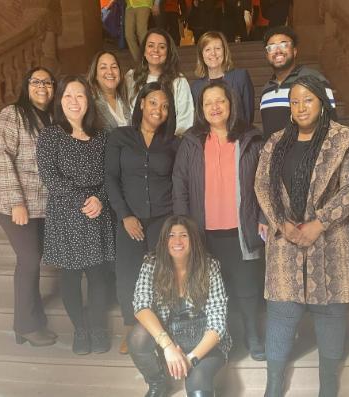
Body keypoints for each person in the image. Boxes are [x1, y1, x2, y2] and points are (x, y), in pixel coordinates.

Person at [254, 75, 349, 397]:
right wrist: (282, 223)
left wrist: (319, 223)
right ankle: (274, 383)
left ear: (322, 102)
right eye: (294, 101)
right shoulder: (277, 142)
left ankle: (328, 384)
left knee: (330, 314)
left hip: (332, 241)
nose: (301, 106)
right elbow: (262, 185)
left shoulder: (342, 138)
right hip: (286, 241)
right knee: (281, 313)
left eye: (308, 99)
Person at [173, 80, 266, 361]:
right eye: (208, 102)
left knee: (248, 287)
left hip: (243, 228)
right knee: (212, 289)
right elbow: (180, 184)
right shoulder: (192, 141)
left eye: (220, 101)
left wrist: (263, 216)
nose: (214, 107)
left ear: (231, 104)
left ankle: (252, 333)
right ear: (201, 109)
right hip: (203, 232)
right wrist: (183, 227)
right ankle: (217, 337)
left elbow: (264, 182)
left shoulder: (250, 138)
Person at [37, 75, 116, 355]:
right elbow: (50, 176)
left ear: (88, 101)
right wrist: (84, 199)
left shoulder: (102, 136)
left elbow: (111, 175)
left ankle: (97, 328)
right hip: (66, 214)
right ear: (60, 100)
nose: (74, 101)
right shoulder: (50, 135)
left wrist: (100, 200)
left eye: (80, 95)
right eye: (68, 95)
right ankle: (81, 331)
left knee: (97, 276)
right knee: (70, 277)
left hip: (97, 213)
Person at [105, 82, 178, 355]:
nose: (159, 109)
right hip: (129, 220)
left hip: (163, 218)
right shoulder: (120, 137)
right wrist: (124, 215)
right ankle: (131, 328)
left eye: (165, 105)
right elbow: (111, 178)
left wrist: (175, 222)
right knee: (128, 275)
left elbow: (177, 181)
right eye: (153, 103)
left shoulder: (172, 142)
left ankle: (162, 329)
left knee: (162, 275)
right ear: (142, 104)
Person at [128, 215, 231, 397]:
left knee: (199, 391)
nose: (177, 241)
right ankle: (157, 383)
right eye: (171, 235)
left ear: (193, 240)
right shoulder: (152, 264)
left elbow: (218, 323)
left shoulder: (210, 267)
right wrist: (168, 347)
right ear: (164, 240)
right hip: (170, 337)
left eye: (183, 235)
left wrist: (190, 359)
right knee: (137, 336)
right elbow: (141, 305)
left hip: (203, 342)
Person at [0, 67, 57, 347]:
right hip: (14, 205)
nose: (42, 86)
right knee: (29, 260)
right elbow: (1, 158)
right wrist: (17, 202)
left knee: (32, 260)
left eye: (48, 82)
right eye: (36, 81)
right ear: (26, 86)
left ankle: (31, 320)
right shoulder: (12, 114)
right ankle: (26, 325)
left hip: (42, 206)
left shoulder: (53, 118)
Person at [260, 25, 336, 139]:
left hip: (308, 154)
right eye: (271, 47)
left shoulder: (313, 79)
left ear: (294, 51)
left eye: (284, 44)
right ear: (267, 55)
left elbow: (331, 123)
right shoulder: (266, 89)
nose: (278, 50)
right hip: (274, 155)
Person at [125, 28, 194, 136]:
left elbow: (186, 119)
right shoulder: (131, 77)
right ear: (144, 50)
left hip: (168, 144)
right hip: (134, 141)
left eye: (161, 47)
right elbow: (125, 113)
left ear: (168, 52)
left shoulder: (178, 81)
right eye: (150, 45)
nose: (155, 50)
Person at [191, 31, 255, 125]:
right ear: (201, 55)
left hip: (240, 137)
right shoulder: (196, 87)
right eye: (207, 49)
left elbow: (248, 115)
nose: (213, 53)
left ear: (225, 51)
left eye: (217, 48)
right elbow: (199, 121)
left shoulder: (240, 77)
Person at [87, 50, 131, 131]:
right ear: (95, 75)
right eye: (103, 67)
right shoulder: (90, 103)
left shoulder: (125, 98)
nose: (110, 72)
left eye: (114, 67)